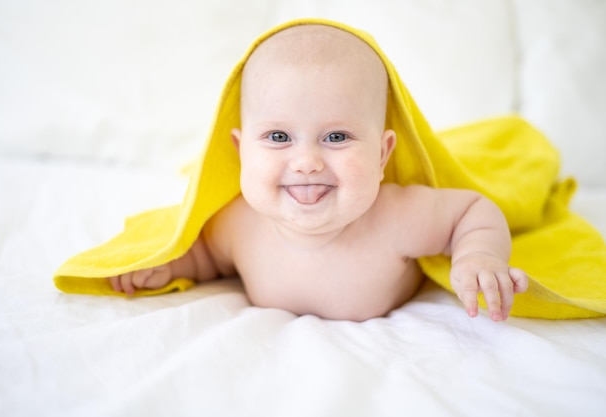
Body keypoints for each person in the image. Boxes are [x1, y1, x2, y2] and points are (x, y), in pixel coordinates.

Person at [108, 24, 528, 322]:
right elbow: (207, 256)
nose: (306, 161)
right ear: (241, 152)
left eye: (337, 137)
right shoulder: (237, 223)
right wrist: (173, 267)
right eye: (277, 136)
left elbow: (471, 210)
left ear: (382, 156)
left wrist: (478, 254)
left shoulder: (398, 215)